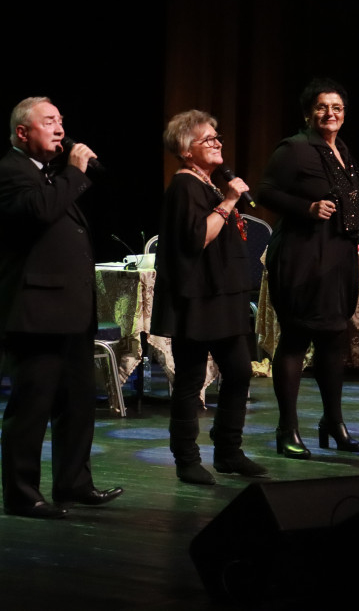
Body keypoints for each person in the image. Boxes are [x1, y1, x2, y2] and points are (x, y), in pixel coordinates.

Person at [0, 96, 123, 519]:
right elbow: (42, 213)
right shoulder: (10, 174)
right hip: (36, 313)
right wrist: (76, 172)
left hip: (70, 312)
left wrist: (72, 173)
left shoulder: (49, 173)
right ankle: (22, 495)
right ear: (23, 132)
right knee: (32, 407)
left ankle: (73, 483)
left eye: (61, 121)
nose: (60, 129)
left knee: (78, 402)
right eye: (49, 122)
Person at [257, 78, 359, 459]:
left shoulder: (341, 149)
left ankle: (332, 423)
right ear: (308, 112)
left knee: (333, 339)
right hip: (303, 255)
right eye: (323, 107)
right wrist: (307, 208)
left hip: (337, 255)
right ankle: (286, 429)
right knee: (296, 339)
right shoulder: (294, 148)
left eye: (337, 108)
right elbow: (266, 193)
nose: (330, 114)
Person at [150, 110, 266, 485]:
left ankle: (229, 451)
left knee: (239, 371)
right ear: (186, 151)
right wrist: (230, 201)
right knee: (190, 378)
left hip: (223, 296)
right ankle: (186, 458)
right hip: (198, 298)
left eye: (217, 137)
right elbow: (198, 236)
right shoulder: (185, 186)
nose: (218, 143)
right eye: (208, 139)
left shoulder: (210, 184)